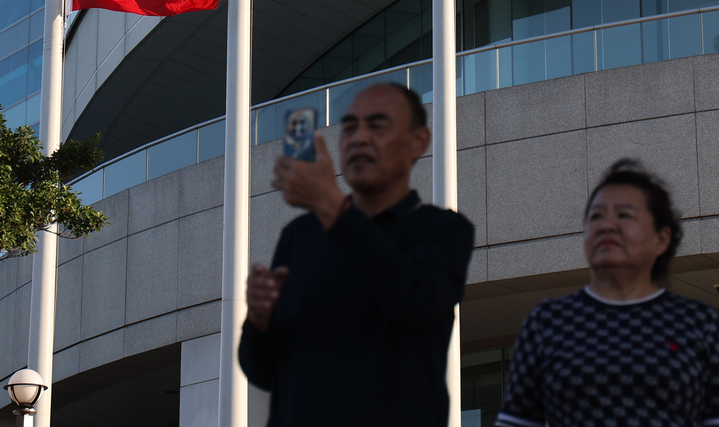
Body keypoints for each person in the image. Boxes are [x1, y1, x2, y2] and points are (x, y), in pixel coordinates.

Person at [239, 82, 475, 427]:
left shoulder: (441, 231)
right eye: (349, 127)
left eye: (377, 126)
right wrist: (259, 322)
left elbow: (415, 301)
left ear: (418, 142)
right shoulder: (299, 237)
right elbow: (263, 373)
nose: (359, 138)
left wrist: (330, 205)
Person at [496, 159, 719, 427]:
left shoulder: (698, 324)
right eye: (596, 216)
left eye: (624, 215)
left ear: (661, 239)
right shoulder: (548, 323)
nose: (607, 226)